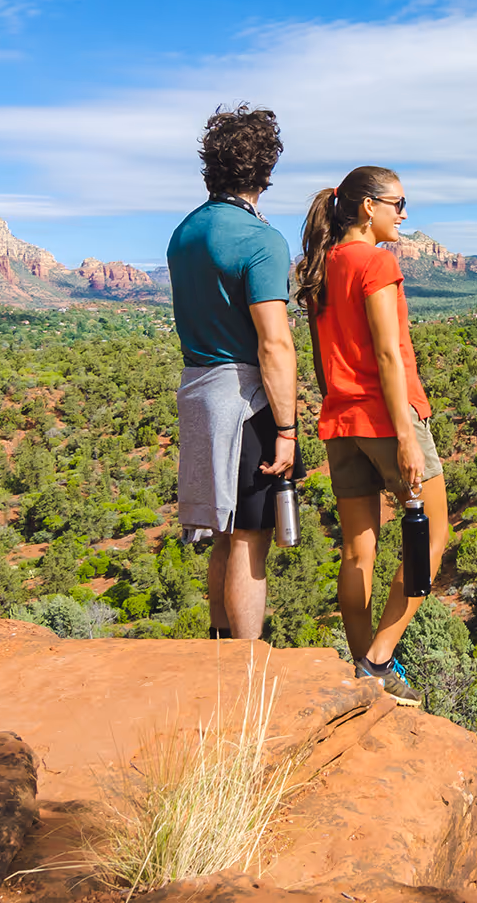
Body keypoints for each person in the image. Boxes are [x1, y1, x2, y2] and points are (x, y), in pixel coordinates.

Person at [293, 166, 450, 706]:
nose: (404, 214)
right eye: (398, 202)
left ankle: (363, 676)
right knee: (432, 538)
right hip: (387, 420)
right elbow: (388, 354)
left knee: (360, 552)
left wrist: (338, 402)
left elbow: (319, 358)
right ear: (367, 207)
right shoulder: (374, 261)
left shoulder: (319, 265)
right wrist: (405, 435)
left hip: (341, 423)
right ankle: (379, 660)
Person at [167, 105, 299, 641]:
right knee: (251, 538)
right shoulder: (260, 240)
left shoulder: (184, 233)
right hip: (248, 405)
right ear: (266, 169)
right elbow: (274, 343)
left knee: (222, 531)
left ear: (209, 168)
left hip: (198, 394)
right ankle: (247, 669)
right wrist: (287, 429)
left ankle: (218, 655)